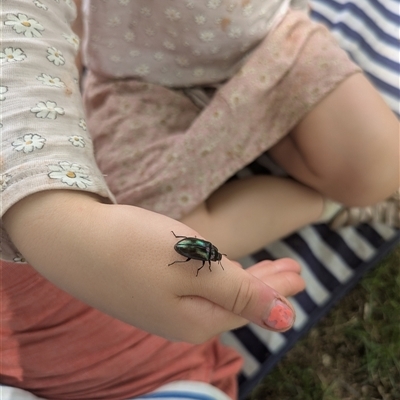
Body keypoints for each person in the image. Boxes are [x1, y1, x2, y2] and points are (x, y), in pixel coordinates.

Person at [0, 1, 398, 400]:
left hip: (267, 42)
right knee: (154, 224)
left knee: (379, 170)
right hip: (135, 79)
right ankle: (326, 205)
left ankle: (321, 177)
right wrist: (50, 210)